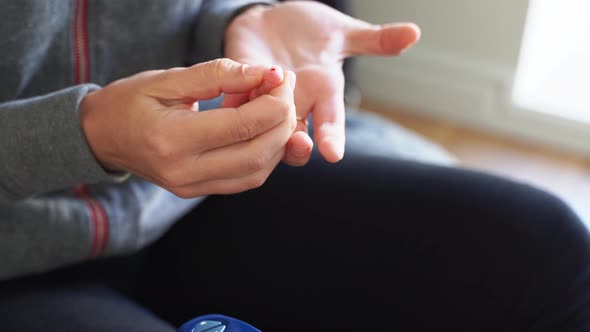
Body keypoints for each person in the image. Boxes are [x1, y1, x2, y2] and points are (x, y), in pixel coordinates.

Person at [1, 1, 589, 331]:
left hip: (186, 201)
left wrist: (239, 19)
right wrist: (81, 135)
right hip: (17, 268)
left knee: (547, 246)